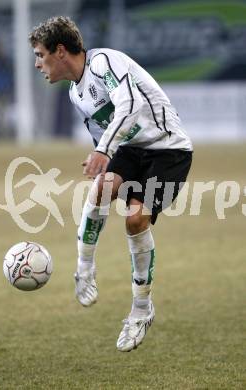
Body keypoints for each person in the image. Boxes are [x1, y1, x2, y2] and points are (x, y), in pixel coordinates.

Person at [29, 16, 193, 352]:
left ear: (60, 51)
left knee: (135, 220)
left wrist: (103, 150)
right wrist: (101, 153)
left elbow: (129, 106)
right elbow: (103, 136)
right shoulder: (77, 93)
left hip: (167, 149)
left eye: (40, 54)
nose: (36, 63)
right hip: (132, 150)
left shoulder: (104, 62)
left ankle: (141, 310)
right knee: (101, 186)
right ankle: (84, 269)